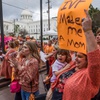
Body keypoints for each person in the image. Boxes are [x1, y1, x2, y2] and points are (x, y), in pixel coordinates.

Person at [51, 10, 100, 100]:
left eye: (80, 56)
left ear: (88, 60)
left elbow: (95, 61)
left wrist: (88, 31)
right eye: (76, 55)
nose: (76, 58)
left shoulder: (91, 75)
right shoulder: (74, 66)